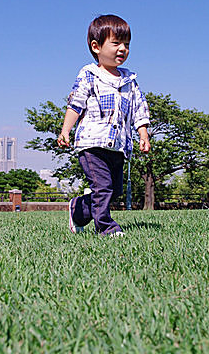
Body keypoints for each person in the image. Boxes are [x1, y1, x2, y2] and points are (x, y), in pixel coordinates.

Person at [57, 14, 151, 236]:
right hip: (92, 144)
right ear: (96, 46)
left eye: (126, 44)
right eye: (116, 43)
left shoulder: (130, 80)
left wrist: (143, 134)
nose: (122, 49)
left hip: (118, 146)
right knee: (103, 188)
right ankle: (107, 228)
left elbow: (139, 109)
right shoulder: (89, 74)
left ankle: (78, 210)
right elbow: (76, 104)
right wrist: (65, 130)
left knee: (113, 190)